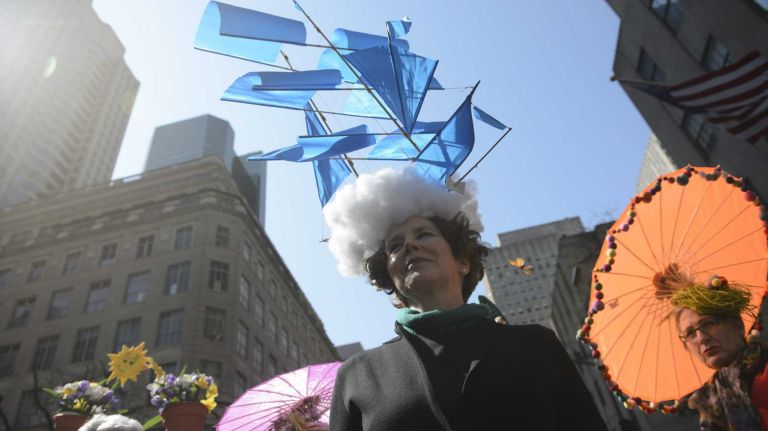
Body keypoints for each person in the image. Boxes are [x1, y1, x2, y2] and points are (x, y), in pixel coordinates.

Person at [324, 168, 607, 431]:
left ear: (462, 261)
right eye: (394, 246)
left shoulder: (535, 344)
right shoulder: (357, 376)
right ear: (391, 277)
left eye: (423, 234)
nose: (409, 245)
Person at [670, 274, 768, 430]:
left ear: (738, 325)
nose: (701, 338)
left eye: (708, 323)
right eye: (690, 334)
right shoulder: (709, 403)